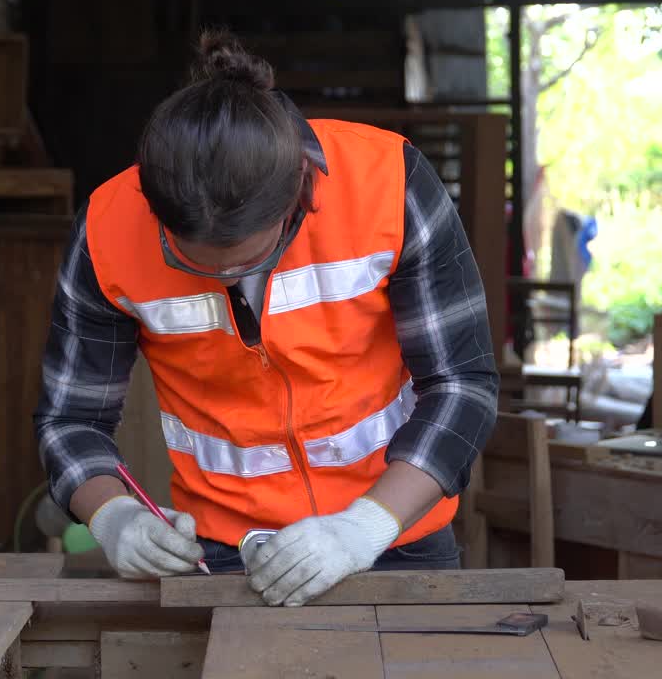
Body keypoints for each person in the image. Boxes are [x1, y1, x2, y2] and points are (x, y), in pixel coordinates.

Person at [34, 30, 498, 608]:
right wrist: (114, 516)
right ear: (152, 207)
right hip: (224, 552)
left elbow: (463, 384)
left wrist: (363, 529)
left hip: (395, 532)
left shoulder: (388, 183)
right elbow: (69, 420)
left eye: (250, 260)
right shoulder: (107, 230)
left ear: (300, 192)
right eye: (192, 262)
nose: (229, 280)